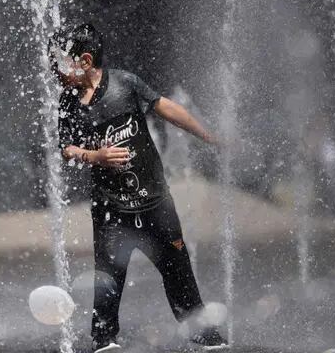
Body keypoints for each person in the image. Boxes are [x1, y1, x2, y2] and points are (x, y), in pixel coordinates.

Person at [48, 23, 228, 352]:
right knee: (107, 280)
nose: (52, 69)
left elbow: (168, 109)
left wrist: (210, 137)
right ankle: (104, 342)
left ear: (84, 61)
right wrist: (95, 155)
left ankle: (205, 338)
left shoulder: (125, 84)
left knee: (179, 273)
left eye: (58, 61)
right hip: (110, 209)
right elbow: (67, 149)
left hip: (156, 203)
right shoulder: (69, 102)